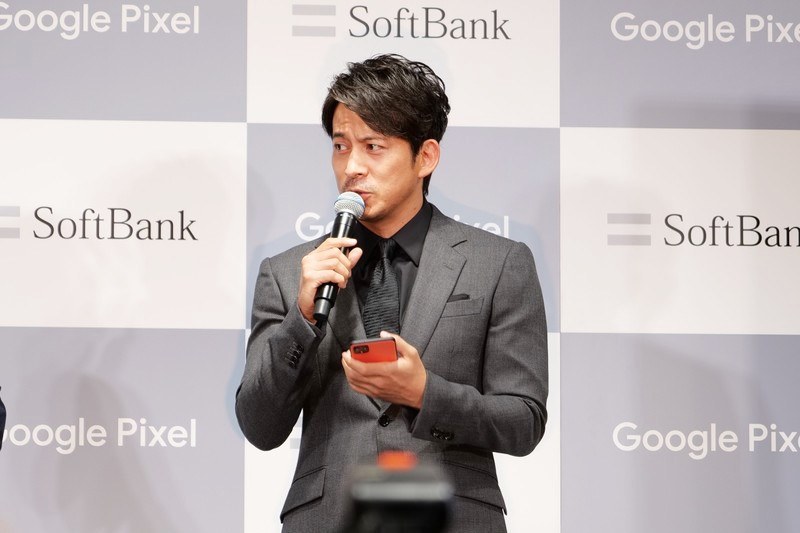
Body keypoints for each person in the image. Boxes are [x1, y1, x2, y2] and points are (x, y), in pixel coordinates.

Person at [235, 54, 548, 532]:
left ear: (426, 157)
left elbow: (523, 421)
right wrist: (302, 318)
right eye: (340, 146)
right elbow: (259, 426)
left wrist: (424, 393)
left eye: (373, 146)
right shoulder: (289, 273)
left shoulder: (498, 262)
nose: (352, 167)